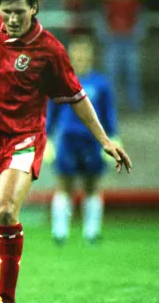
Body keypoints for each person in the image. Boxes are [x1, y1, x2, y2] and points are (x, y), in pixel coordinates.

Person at [0, 0, 132, 303]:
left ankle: (6, 301)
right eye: (6, 11)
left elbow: (77, 97)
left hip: (23, 139)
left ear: (34, 8)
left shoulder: (50, 50)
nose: (11, 18)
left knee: (6, 211)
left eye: (19, 12)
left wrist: (105, 140)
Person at [47, 35, 118, 244]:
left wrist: (113, 138)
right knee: (64, 184)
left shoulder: (101, 83)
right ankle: (60, 233)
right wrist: (46, 137)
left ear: (91, 55)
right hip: (68, 140)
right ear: (70, 55)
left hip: (91, 141)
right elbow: (52, 112)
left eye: (84, 51)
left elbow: (108, 113)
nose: (80, 56)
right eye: (76, 51)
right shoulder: (61, 81)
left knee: (92, 185)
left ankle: (91, 232)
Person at [95, 0, 145, 112]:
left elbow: (139, 15)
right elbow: (102, 15)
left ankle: (134, 106)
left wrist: (137, 34)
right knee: (112, 74)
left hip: (129, 39)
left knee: (132, 73)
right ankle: (111, 106)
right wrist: (105, 35)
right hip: (113, 40)